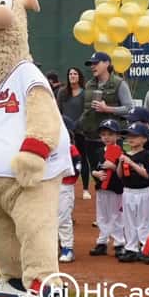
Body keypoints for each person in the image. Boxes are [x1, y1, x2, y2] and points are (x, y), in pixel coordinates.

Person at [79, 52, 133, 201]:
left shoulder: (119, 83)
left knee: (115, 174)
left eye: (96, 63)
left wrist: (107, 109)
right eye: (91, 64)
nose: (93, 66)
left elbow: (129, 108)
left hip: (112, 138)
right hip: (91, 136)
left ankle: (119, 209)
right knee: (97, 173)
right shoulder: (89, 84)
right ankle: (104, 209)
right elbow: (86, 109)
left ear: (107, 63)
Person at [116, 122, 149, 263]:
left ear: (144, 139)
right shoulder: (125, 154)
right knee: (129, 220)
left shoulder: (147, 155)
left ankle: (146, 248)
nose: (131, 139)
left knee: (144, 221)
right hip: (127, 192)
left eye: (135, 136)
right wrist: (120, 162)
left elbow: (147, 175)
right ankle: (131, 248)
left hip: (142, 192)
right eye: (129, 136)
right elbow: (120, 175)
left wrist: (131, 163)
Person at [89, 119, 126, 258]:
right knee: (102, 216)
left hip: (115, 190)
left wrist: (114, 167)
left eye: (110, 134)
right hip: (101, 189)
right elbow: (94, 168)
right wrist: (96, 174)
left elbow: (123, 175)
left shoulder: (121, 153)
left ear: (117, 136)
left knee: (116, 216)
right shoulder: (98, 152)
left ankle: (119, 243)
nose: (106, 137)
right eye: (103, 134)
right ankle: (102, 242)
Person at [57, 67, 90, 199]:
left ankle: (86, 189)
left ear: (79, 76)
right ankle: (61, 186)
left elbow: (86, 111)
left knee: (82, 159)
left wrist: (77, 125)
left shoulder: (85, 93)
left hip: (80, 131)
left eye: (75, 73)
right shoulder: (62, 92)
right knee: (63, 158)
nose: (72, 76)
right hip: (65, 132)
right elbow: (58, 110)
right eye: (70, 74)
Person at [59, 117, 82, 263]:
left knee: (63, 218)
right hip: (49, 186)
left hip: (64, 187)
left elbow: (75, 171)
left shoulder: (71, 149)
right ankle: (54, 246)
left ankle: (67, 248)